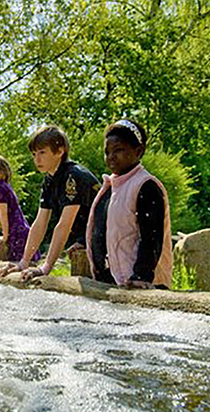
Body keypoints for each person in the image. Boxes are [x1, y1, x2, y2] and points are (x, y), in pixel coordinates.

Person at [0, 125, 100, 281]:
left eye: (42, 152)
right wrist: (24, 262)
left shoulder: (73, 176)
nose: (37, 159)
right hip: (91, 235)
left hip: (111, 238)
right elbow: (40, 222)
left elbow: (64, 225)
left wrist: (45, 268)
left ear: (59, 152)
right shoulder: (49, 179)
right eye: (34, 154)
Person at [85, 119, 172, 289]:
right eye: (107, 151)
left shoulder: (146, 186)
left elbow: (151, 237)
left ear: (138, 151)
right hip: (117, 282)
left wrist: (141, 275)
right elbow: (105, 229)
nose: (111, 157)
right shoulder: (111, 187)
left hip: (144, 284)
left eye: (118, 150)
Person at [0, 155, 40, 263]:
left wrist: (5, 237)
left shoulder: (0, 187)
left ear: (4, 173)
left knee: (18, 263)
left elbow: (3, 213)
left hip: (17, 231)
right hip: (15, 229)